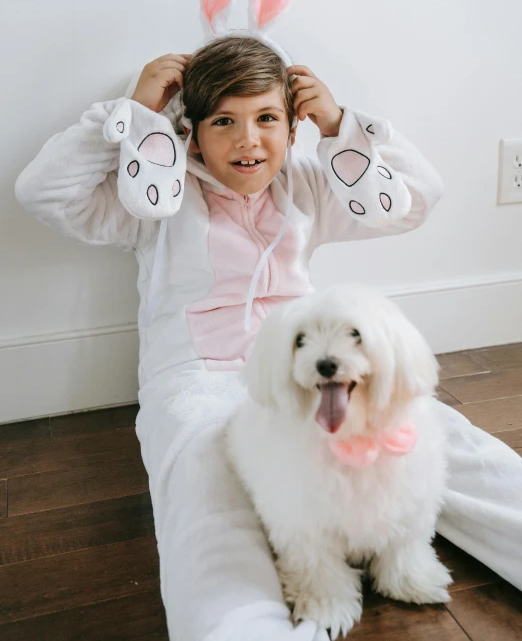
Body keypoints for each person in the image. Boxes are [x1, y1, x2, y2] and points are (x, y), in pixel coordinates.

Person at [15, 35, 522, 641]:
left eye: (266, 119)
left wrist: (341, 126)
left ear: (292, 125)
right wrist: (133, 112)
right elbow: (42, 192)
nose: (247, 139)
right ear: (191, 131)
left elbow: (417, 200)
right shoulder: (155, 199)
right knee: (208, 486)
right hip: (198, 379)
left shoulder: (307, 186)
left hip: (312, 366)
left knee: (437, 439)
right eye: (223, 121)